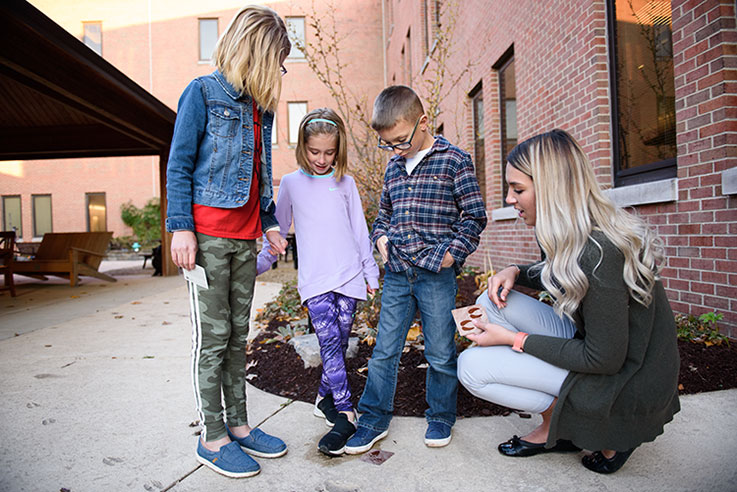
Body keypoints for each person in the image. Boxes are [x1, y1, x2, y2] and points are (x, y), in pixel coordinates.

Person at [457, 129, 680, 474]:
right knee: (492, 300)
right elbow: (556, 270)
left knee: (472, 368)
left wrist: (512, 341)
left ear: (550, 189)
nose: (509, 199)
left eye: (518, 190)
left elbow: (604, 359)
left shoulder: (601, 251)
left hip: (627, 378)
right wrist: (515, 270)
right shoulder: (571, 232)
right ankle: (560, 426)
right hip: (601, 350)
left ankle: (602, 430)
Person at [165, 5, 291, 479]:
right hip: (208, 239)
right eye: (277, 60)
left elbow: (262, 172)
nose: (280, 71)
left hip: (246, 240)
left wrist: (271, 222)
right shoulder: (201, 94)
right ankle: (212, 437)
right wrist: (181, 227)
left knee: (240, 338)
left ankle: (239, 426)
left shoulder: (263, 108)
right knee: (212, 340)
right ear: (257, 51)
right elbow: (178, 165)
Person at [344, 85, 488, 454]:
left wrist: (452, 254)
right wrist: (380, 238)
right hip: (397, 273)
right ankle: (373, 419)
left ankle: (441, 416)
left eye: (400, 141)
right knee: (384, 350)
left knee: (439, 351)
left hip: (435, 275)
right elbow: (384, 216)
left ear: (423, 123)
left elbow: (474, 216)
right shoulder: (394, 166)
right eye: (387, 144)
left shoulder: (455, 160)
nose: (394, 150)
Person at [255, 108, 380, 456]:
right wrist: (259, 263)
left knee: (338, 345)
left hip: (350, 275)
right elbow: (275, 233)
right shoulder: (291, 184)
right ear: (302, 148)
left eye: (329, 152)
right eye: (314, 152)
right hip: (315, 280)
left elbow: (359, 230)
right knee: (328, 344)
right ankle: (345, 413)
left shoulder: (347, 183)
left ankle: (323, 398)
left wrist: (370, 273)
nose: (322, 159)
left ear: (337, 150)